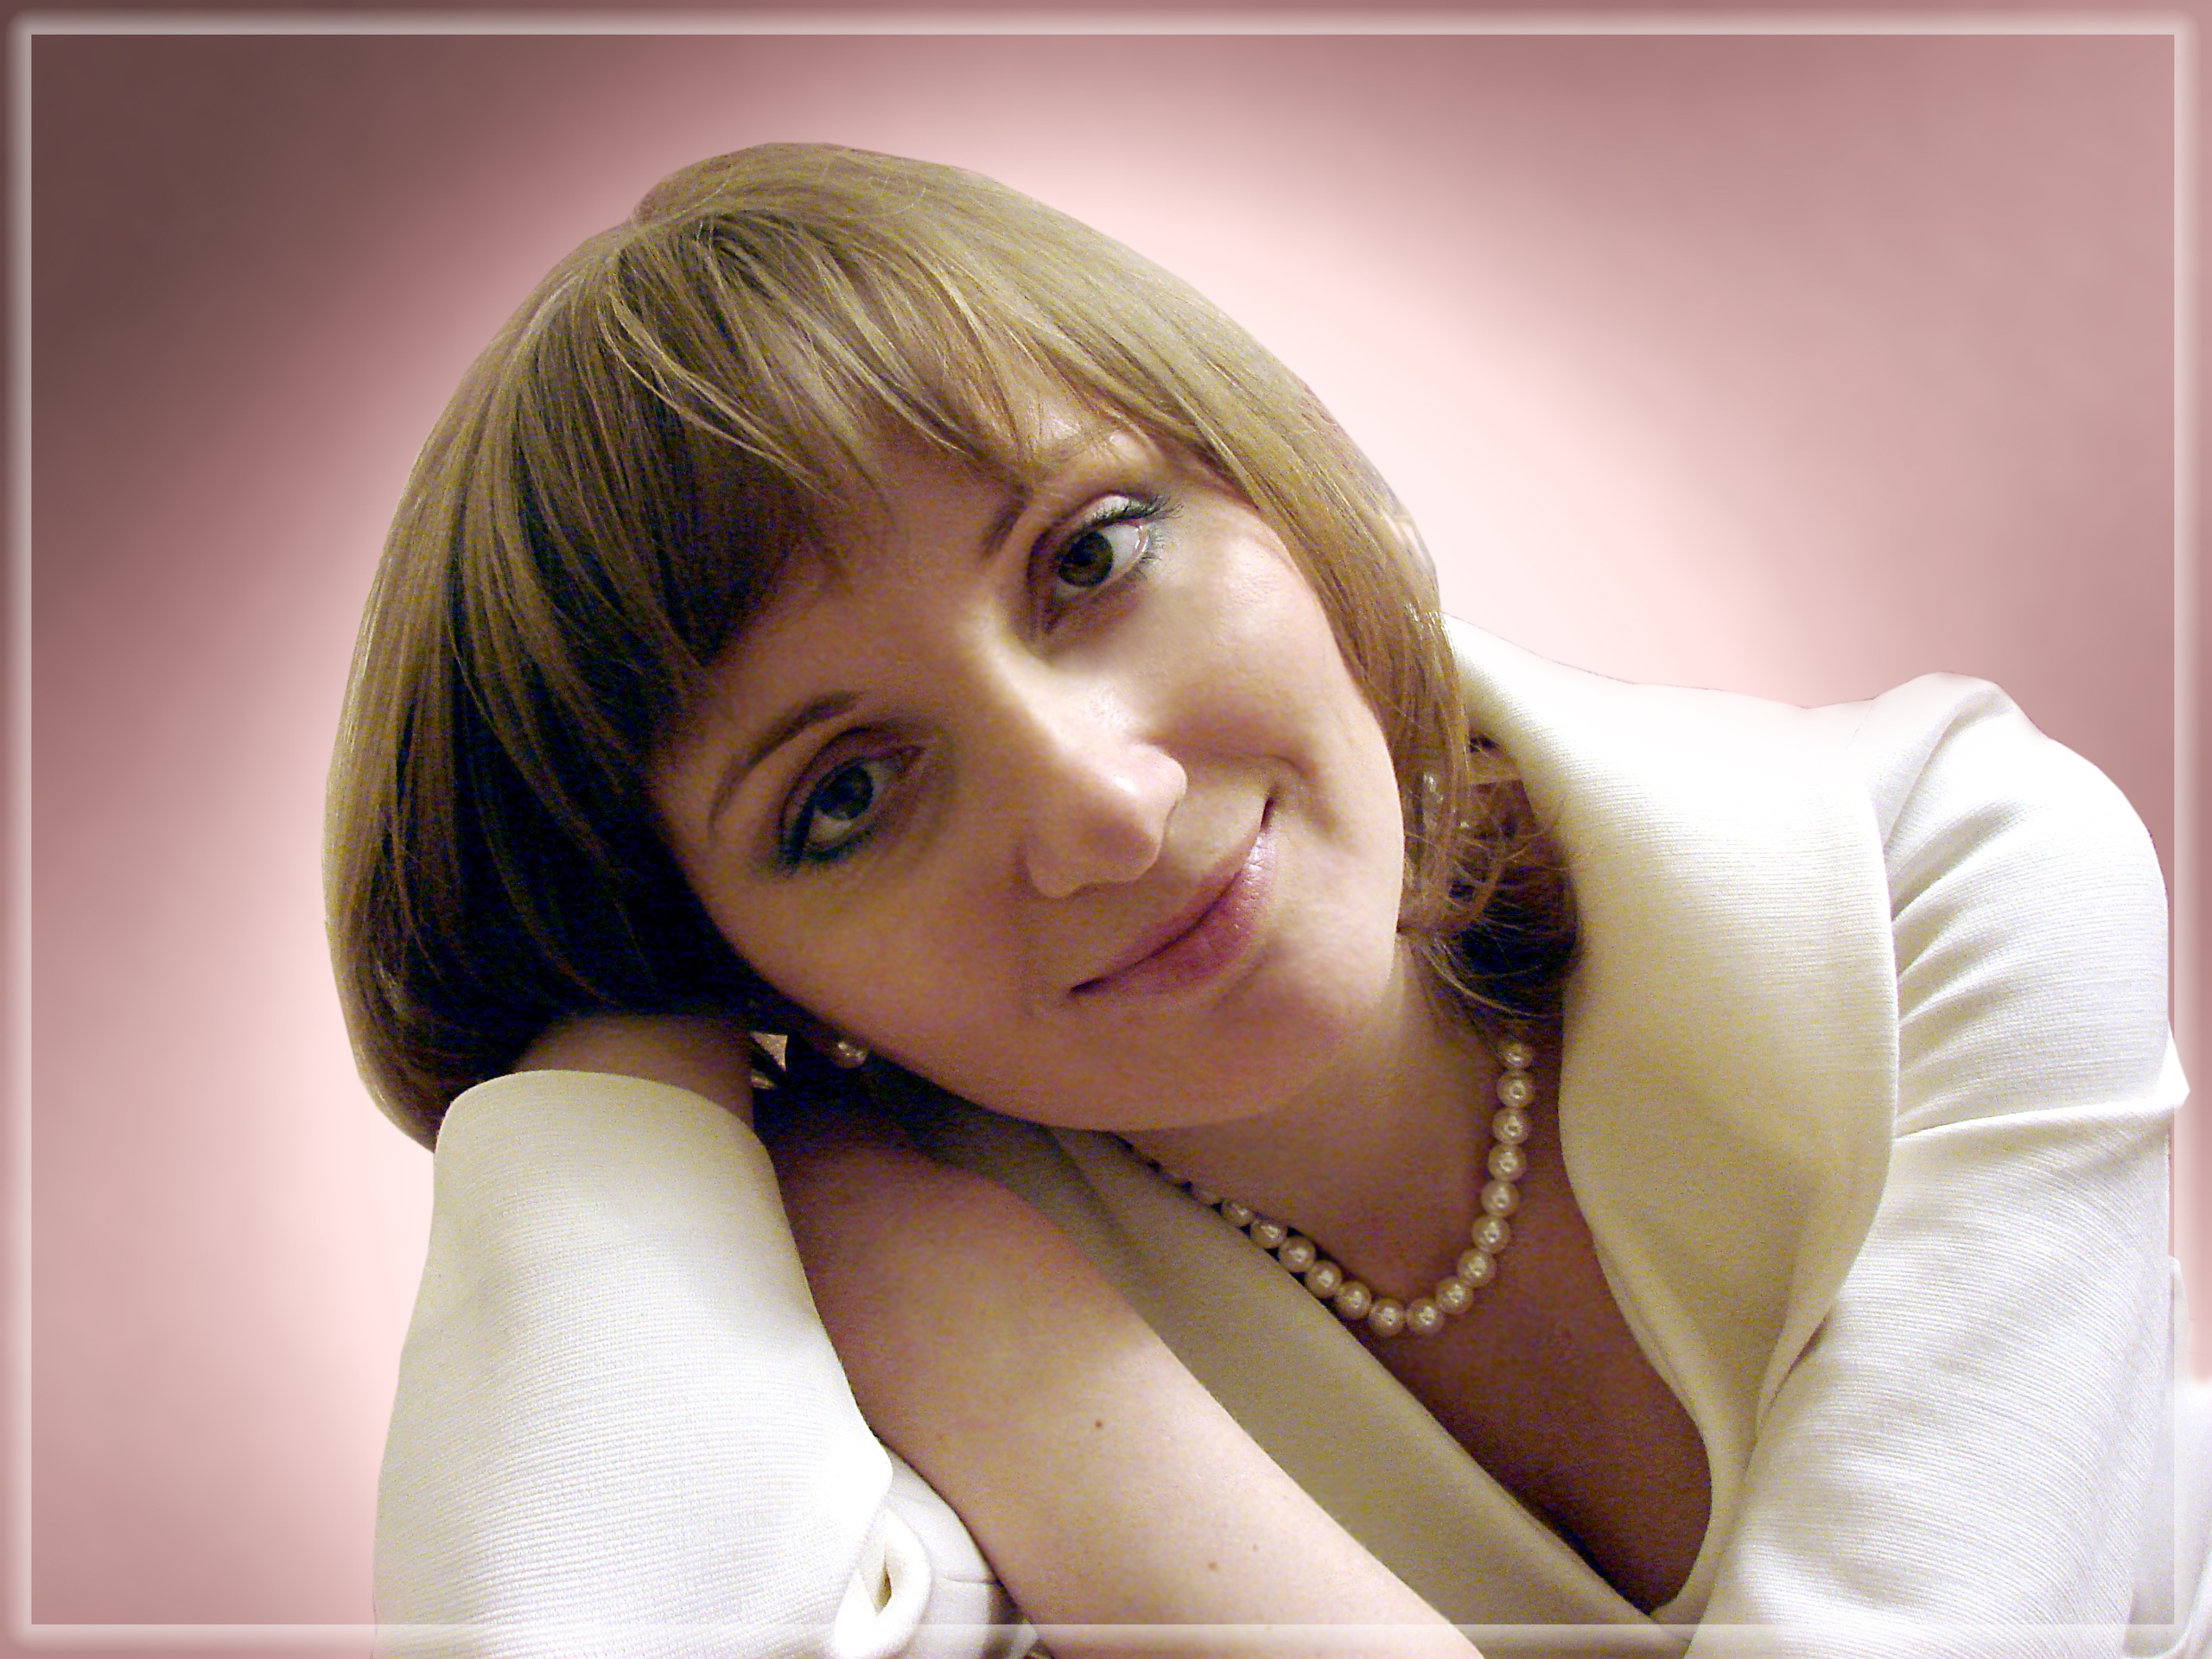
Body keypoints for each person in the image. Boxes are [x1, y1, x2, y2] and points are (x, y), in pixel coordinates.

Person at [330, 143, 2207, 1658]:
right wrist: (632, 1078)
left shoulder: (1929, 875)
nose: (1104, 804)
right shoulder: (831, 1337)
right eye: (843, 798)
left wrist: (1010, 1367)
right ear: (721, 955)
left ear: (1286, 491)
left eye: (1091, 556)